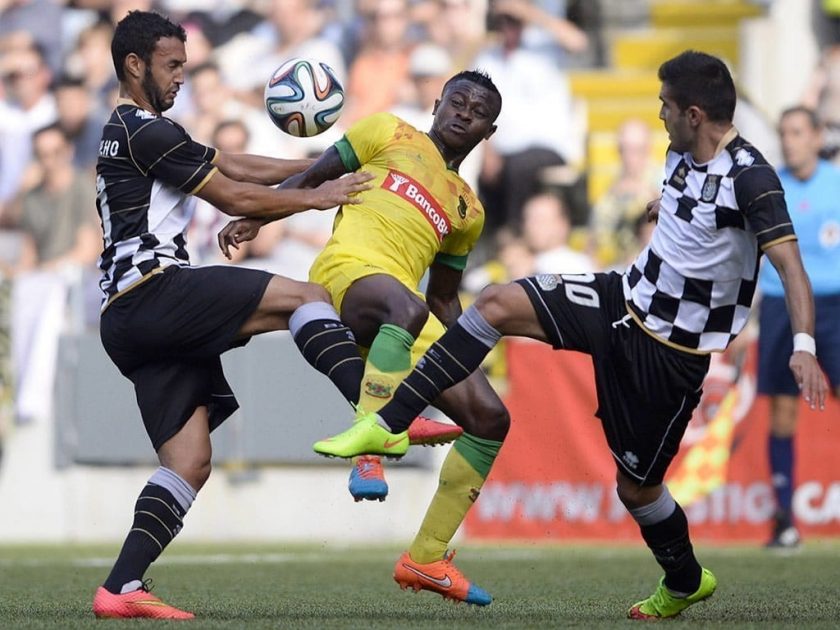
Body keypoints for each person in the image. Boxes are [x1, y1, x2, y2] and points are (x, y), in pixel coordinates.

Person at [315, 50, 829, 618]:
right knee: (497, 302)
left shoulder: (752, 178)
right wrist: (671, 207)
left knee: (637, 491)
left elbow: (791, 267)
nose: (658, 114)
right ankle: (384, 425)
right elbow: (693, 218)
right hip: (620, 298)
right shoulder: (681, 153)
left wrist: (803, 346)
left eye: (665, 106)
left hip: (669, 352)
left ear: (694, 114)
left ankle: (684, 580)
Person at [90, 10, 371, 620]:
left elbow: (238, 166)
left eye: (185, 66)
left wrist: (328, 163)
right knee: (308, 297)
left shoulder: (138, 130)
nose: (182, 77)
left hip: (127, 316)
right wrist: (317, 197)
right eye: (172, 65)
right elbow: (234, 196)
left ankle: (120, 588)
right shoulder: (144, 131)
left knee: (189, 462)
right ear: (134, 65)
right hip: (154, 292)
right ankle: (375, 416)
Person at [219, 70, 509, 605]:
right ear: (437, 103)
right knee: (405, 303)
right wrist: (256, 217)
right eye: (457, 101)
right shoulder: (388, 132)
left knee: (491, 419)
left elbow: (445, 298)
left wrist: (470, 352)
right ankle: (369, 447)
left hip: (410, 315)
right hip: (347, 274)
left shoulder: (468, 209)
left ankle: (425, 558)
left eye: (478, 111)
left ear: (488, 132)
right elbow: (311, 177)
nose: (464, 113)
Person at [757, 106, 840, 549]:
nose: (789, 140)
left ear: (816, 135)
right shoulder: (770, 185)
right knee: (783, 411)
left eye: (796, 132)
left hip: (835, 302)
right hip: (779, 304)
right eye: (783, 132)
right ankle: (784, 518)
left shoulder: (837, 182)